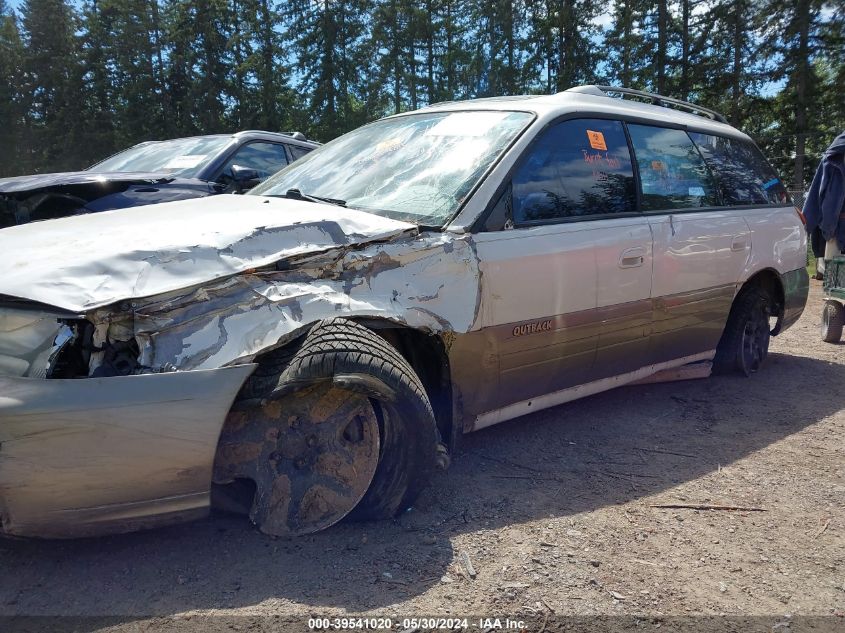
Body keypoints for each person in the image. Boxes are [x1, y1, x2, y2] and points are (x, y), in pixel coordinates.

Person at [804, 132, 845, 279]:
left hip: (834, 228)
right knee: (836, 281)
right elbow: (816, 194)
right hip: (836, 230)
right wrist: (805, 225)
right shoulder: (832, 159)